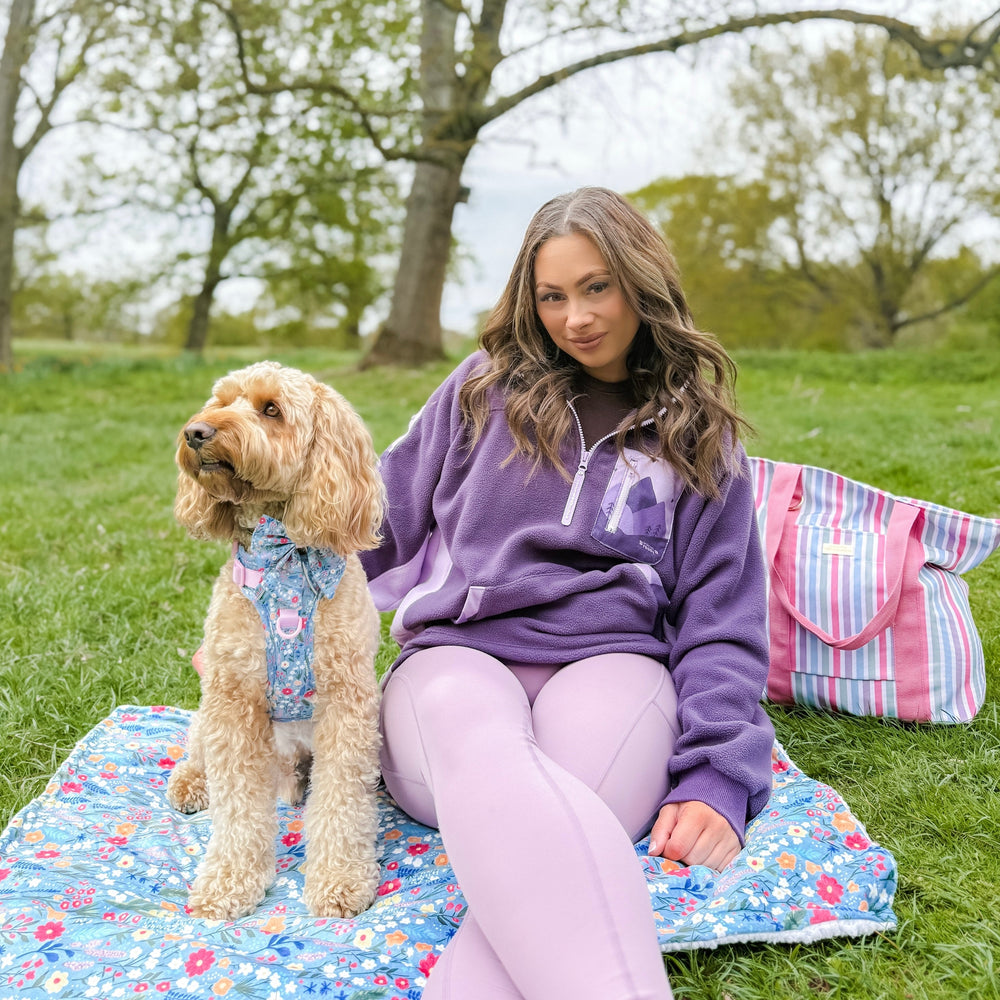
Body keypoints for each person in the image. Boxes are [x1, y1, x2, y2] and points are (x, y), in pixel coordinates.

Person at [359, 187, 774, 1000]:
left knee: (549, 834)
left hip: (614, 668)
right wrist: (267, 611)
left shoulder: (697, 435)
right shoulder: (482, 390)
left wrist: (718, 775)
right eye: (552, 296)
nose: (575, 318)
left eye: (596, 288)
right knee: (489, 753)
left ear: (640, 281)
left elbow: (721, 617)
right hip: (456, 660)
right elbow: (373, 522)